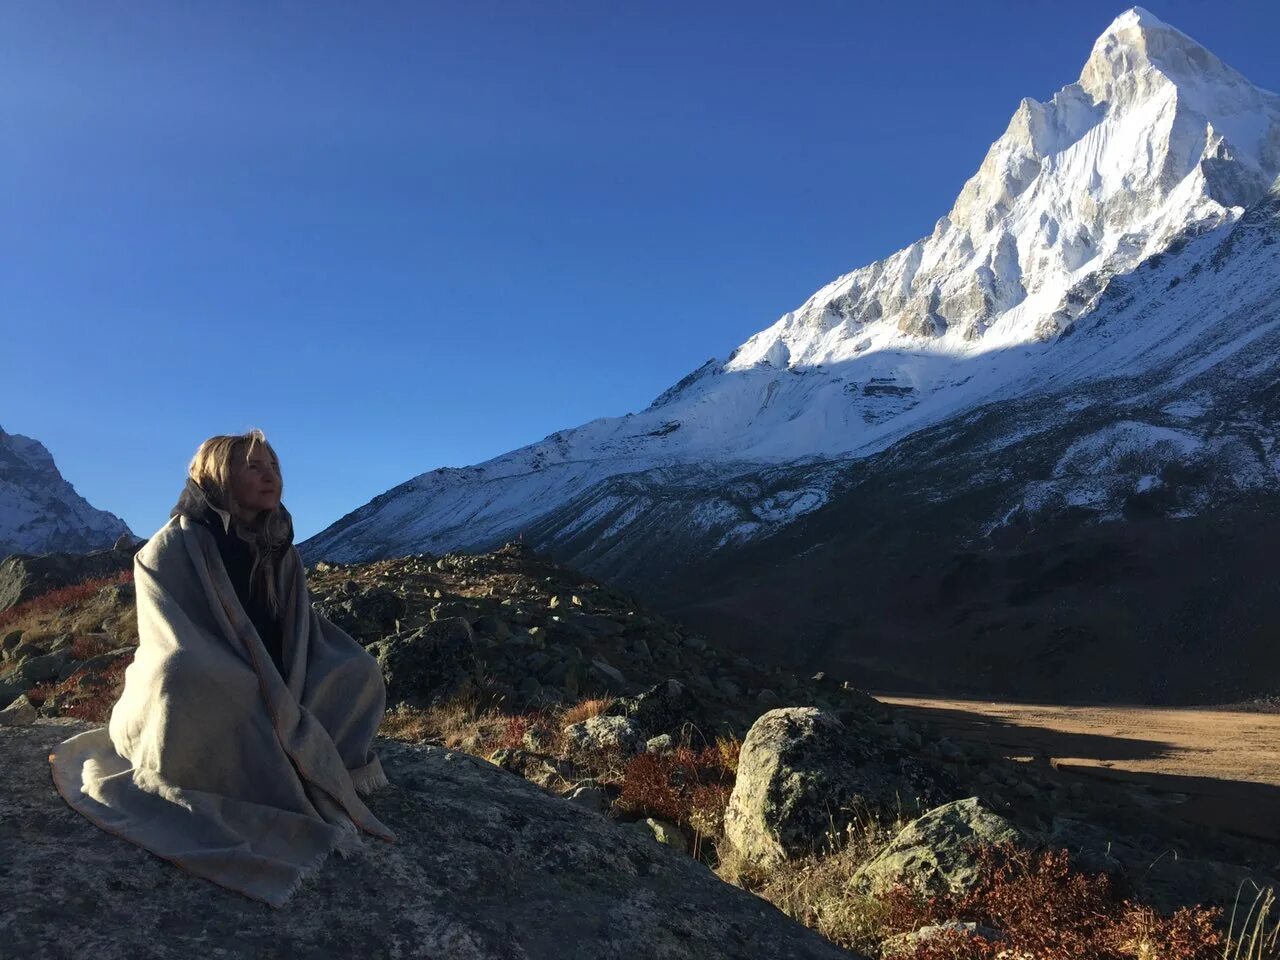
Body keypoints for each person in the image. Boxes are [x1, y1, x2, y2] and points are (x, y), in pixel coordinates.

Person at [48, 428, 396, 908]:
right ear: (218, 476)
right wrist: (238, 669)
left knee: (356, 670)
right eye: (253, 466)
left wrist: (292, 667)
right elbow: (169, 637)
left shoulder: (280, 544)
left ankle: (323, 766)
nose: (270, 475)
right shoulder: (170, 548)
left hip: (279, 665)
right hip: (204, 665)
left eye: (274, 466)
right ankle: (224, 775)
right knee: (193, 678)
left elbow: (299, 624)